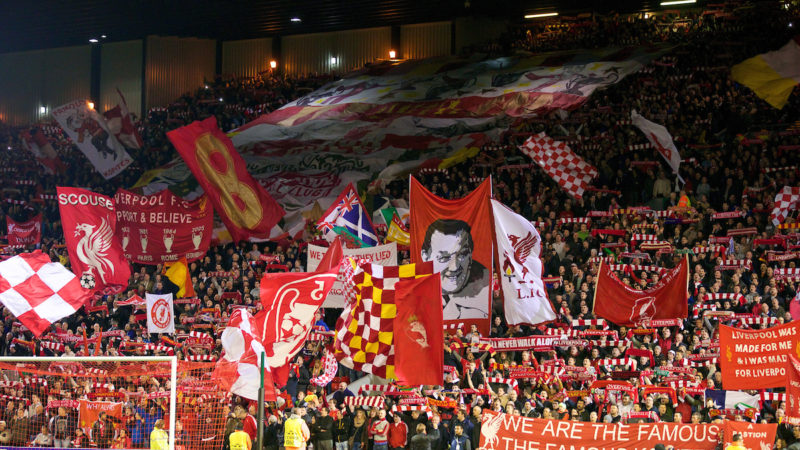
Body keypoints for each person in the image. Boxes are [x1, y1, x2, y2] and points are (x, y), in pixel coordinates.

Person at [420, 219, 489, 319]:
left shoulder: (481, 308)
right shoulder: (413, 301)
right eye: (444, 258)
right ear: (425, 257)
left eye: (462, 255)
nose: (454, 267)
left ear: (470, 255)